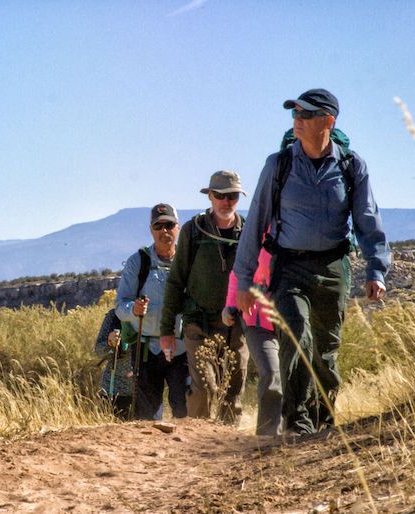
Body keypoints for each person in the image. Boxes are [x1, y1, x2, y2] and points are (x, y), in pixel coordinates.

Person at [234, 88, 390, 435]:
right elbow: (256, 221)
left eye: (305, 114)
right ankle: (298, 421)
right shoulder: (279, 164)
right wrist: (244, 280)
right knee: (297, 336)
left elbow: (368, 220)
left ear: (328, 122)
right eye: (295, 114)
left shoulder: (351, 166)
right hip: (289, 267)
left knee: (326, 350)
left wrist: (376, 269)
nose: (297, 120)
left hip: (334, 269)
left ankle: (323, 422)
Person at [160, 171, 249, 424]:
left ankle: (226, 451)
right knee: (204, 389)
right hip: (198, 323)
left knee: (233, 392)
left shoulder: (248, 232)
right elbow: (176, 281)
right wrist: (166, 330)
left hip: (236, 325)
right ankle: (197, 447)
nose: (226, 201)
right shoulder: (193, 231)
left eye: (232, 196)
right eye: (220, 195)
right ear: (210, 196)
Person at [115, 203, 189, 420]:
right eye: (158, 226)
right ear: (151, 229)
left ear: (178, 227)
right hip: (147, 351)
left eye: (169, 224)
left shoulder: (188, 261)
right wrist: (134, 309)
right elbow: (120, 306)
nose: (164, 230)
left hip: (182, 349)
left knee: (186, 415)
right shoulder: (139, 262)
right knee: (147, 420)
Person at [222, 242, 281, 436]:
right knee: (271, 371)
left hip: (293, 321)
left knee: (295, 374)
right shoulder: (257, 236)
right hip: (257, 321)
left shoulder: (298, 233)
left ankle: (297, 431)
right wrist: (230, 305)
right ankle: (268, 437)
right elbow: (238, 274)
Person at [94, 307, 134, 419]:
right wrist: (109, 343)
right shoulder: (113, 316)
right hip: (113, 389)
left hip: (141, 391)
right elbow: (98, 350)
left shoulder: (151, 315)